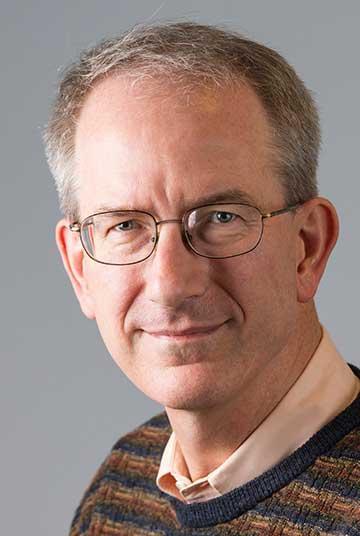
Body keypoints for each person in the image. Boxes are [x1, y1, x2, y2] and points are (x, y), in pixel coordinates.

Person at [44, 22, 360, 535]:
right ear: (80, 267)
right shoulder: (120, 492)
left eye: (221, 217)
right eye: (125, 225)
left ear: (308, 247)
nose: (171, 282)